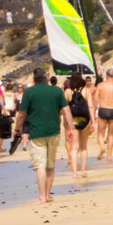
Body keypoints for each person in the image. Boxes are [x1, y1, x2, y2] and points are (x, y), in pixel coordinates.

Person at [14, 68, 73, 204]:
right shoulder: (57, 90)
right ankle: (47, 195)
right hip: (53, 131)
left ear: (34, 79)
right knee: (50, 165)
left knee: (40, 165)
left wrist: (17, 129)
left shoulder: (29, 92)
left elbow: (22, 113)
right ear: (46, 77)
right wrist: (70, 128)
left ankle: (42, 197)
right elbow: (66, 110)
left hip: (36, 133)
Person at [62, 73, 93, 179]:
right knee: (84, 147)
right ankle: (83, 171)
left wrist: (65, 121)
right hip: (85, 119)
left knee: (74, 148)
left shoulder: (67, 92)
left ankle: (75, 173)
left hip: (73, 120)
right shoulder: (86, 91)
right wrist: (92, 121)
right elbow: (91, 106)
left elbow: (64, 108)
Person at [92, 68, 113, 163]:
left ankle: (102, 147)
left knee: (100, 133)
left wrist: (93, 113)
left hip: (103, 109)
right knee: (111, 134)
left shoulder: (100, 85)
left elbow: (95, 101)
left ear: (106, 76)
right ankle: (109, 156)